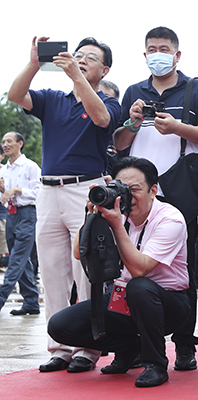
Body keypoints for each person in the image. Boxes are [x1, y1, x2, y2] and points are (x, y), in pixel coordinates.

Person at [8, 36, 120, 373]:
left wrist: (77, 77)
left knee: (87, 271)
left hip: (85, 190)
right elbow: (16, 95)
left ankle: (88, 346)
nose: (82, 59)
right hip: (47, 191)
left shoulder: (109, 101)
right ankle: (59, 345)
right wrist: (33, 62)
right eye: (79, 55)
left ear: (105, 69)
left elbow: (101, 119)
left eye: (90, 57)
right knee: (52, 271)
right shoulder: (52, 99)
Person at [113, 26, 198, 371]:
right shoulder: (134, 91)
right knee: (127, 269)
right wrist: (131, 122)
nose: (157, 54)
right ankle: (129, 345)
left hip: (180, 194)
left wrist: (176, 127)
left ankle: (185, 346)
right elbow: (119, 143)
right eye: (151, 49)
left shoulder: (195, 88)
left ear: (176, 54)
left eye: (164, 48)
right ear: (144, 56)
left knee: (181, 272)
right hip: (136, 192)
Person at [48, 156, 190, 387]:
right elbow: (79, 253)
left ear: (153, 190)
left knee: (140, 287)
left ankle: (155, 363)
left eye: (135, 189)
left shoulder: (170, 218)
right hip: (123, 300)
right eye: (122, 188)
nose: (128, 196)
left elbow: (140, 269)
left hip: (168, 304)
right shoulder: (117, 212)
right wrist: (92, 214)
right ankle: (128, 347)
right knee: (60, 326)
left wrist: (115, 225)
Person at [0, 131, 41, 314]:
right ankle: (31, 301)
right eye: (3, 142)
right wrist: (4, 190)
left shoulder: (30, 166)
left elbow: (40, 192)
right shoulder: (3, 169)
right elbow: (4, 197)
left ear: (20, 143)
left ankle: (1, 297)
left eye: (9, 141)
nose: (5, 144)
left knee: (16, 258)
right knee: (22, 260)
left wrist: (17, 189)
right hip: (11, 214)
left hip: (27, 214)